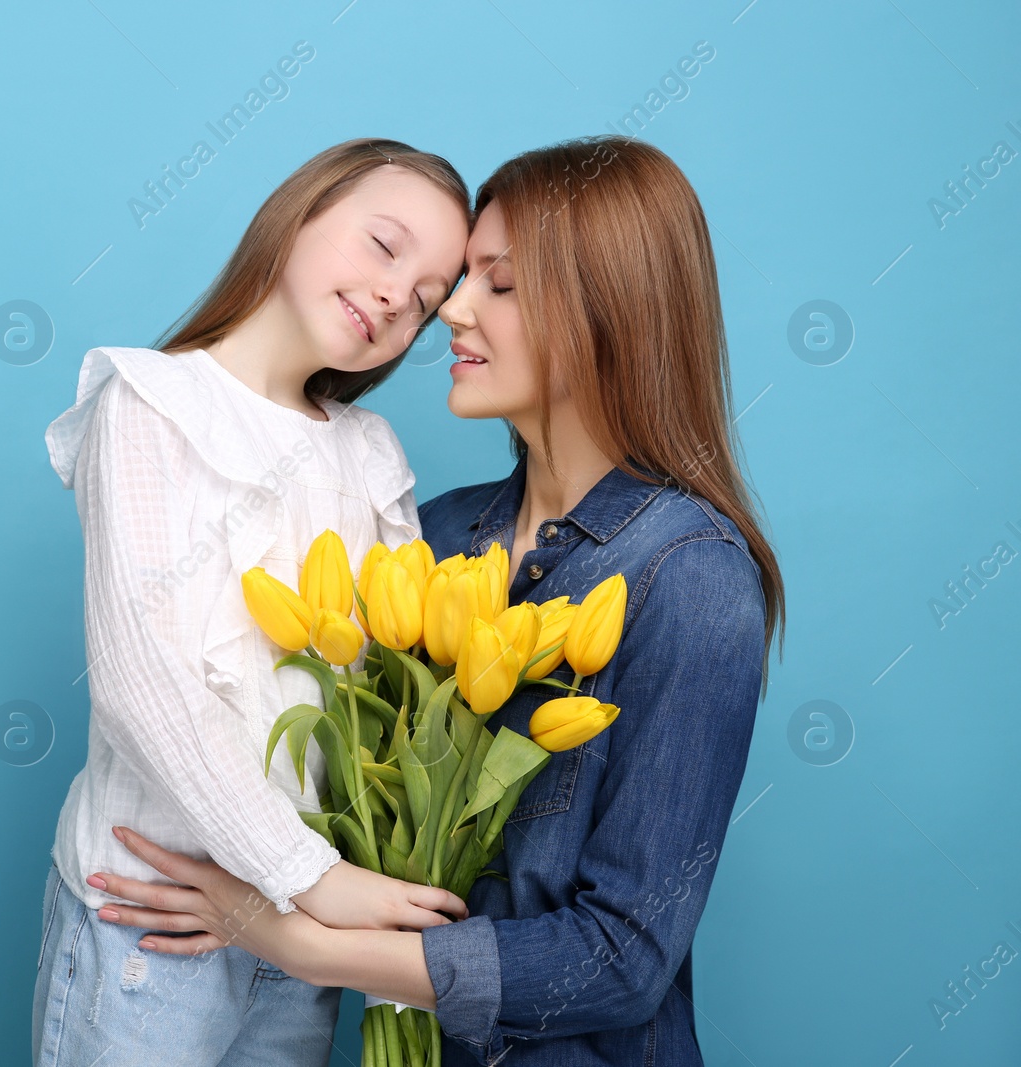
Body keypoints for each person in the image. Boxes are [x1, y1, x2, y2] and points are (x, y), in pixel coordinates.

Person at [84, 135, 787, 1067]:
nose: (446, 310)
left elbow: (623, 959)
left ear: (606, 309)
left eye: (494, 284)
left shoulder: (691, 577)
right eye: (453, 284)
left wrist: (293, 937)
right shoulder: (437, 538)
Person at [34, 137, 472, 1066]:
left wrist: (317, 894)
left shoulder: (371, 451)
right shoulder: (151, 406)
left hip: (301, 942)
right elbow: (139, 679)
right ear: (299, 213)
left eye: (429, 301)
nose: (399, 296)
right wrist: (308, 874)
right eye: (383, 246)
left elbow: (395, 689)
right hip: (148, 921)